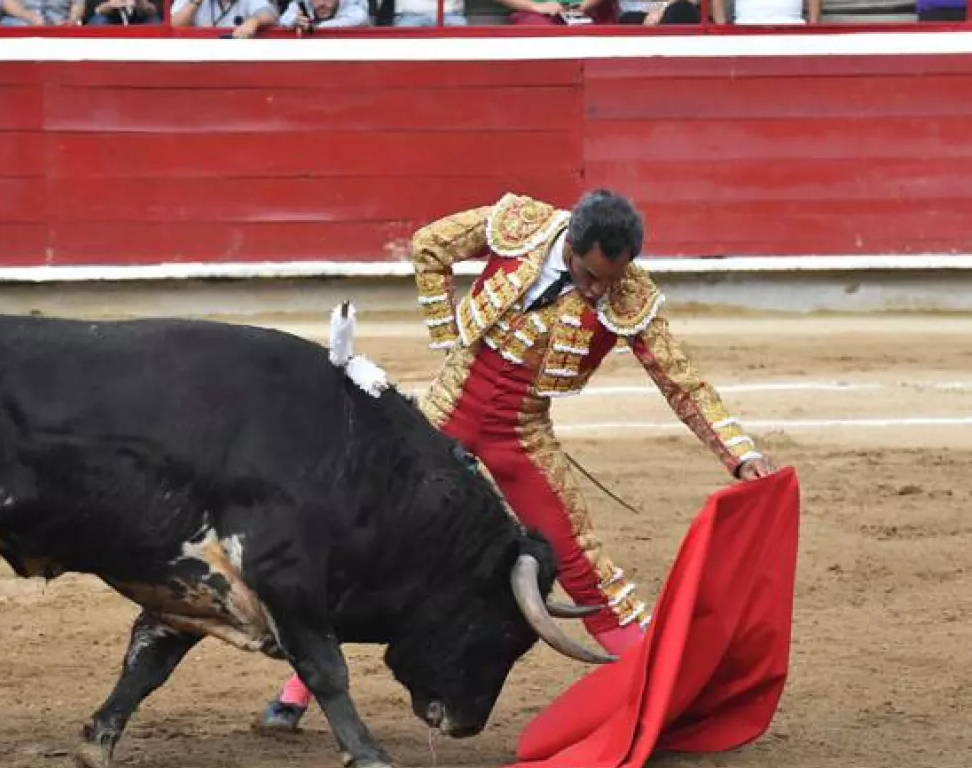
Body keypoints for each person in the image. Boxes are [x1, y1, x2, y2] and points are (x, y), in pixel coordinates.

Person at [255, 188, 778, 733]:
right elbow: (430, 245)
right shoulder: (520, 224)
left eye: (611, 280)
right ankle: (295, 692)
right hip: (439, 419)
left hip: (521, 433)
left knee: (580, 564)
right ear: (571, 243)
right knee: (363, 544)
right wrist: (446, 332)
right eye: (589, 274)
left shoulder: (630, 295)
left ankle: (660, 696)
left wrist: (739, 454)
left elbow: (682, 382)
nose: (599, 291)